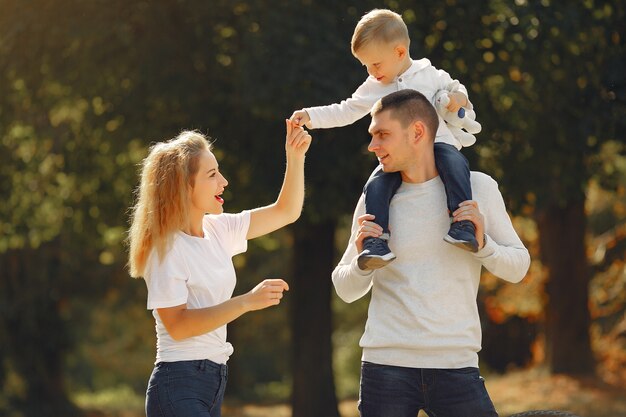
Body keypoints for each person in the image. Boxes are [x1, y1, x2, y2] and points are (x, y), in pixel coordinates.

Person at [331, 89, 531, 417]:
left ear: (418, 133)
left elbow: (518, 267)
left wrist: (484, 246)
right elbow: (345, 288)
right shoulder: (374, 200)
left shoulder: (477, 188)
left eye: (382, 135)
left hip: (456, 366)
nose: (372, 146)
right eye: (372, 135)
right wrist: (360, 264)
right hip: (385, 368)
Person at [127, 121, 311, 417]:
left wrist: (295, 156)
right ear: (183, 187)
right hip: (179, 384)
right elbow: (179, 326)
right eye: (212, 175)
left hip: (212, 382)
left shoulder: (219, 229)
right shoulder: (166, 249)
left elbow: (286, 211)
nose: (223, 182)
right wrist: (247, 301)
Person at [291, 9, 480, 270]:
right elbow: (346, 109)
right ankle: (375, 241)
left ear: (400, 52)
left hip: (436, 144)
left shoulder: (429, 74)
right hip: (397, 156)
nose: (371, 71)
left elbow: (457, 89)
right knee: (377, 184)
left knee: (456, 165)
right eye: (366, 66)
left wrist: (458, 98)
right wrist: (310, 116)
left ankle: (463, 224)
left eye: (376, 64)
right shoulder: (374, 87)